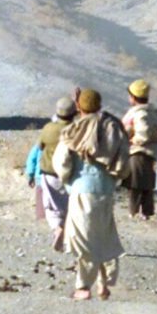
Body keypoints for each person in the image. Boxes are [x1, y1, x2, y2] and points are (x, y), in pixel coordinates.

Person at [52, 87, 128, 300]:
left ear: (79, 106)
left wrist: (68, 179)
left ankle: (83, 287)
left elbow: (61, 162)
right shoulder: (112, 126)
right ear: (99, 104)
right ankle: (104, 284)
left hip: (82, 191)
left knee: (84, 240)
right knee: (102, 236)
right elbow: (123, 161)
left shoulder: (74, 130)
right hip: (106, 190)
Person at [31, 97, 77, 251]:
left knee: (52, 206)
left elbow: (40, 146)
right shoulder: (76, 129)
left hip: (50, 173)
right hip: (72, 173)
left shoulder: (49, 128)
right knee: (70, 206)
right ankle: (69, 234)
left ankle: (57, 229)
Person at [120, 78, 157, 221]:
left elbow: (143, 133)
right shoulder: (152, 112)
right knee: (146, 183)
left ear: (133, 97)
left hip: (138, 152)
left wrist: (132, 140)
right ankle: (146, 211)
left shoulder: (140, 114)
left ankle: (134, 211)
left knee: (136, 184)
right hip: (148, 153)